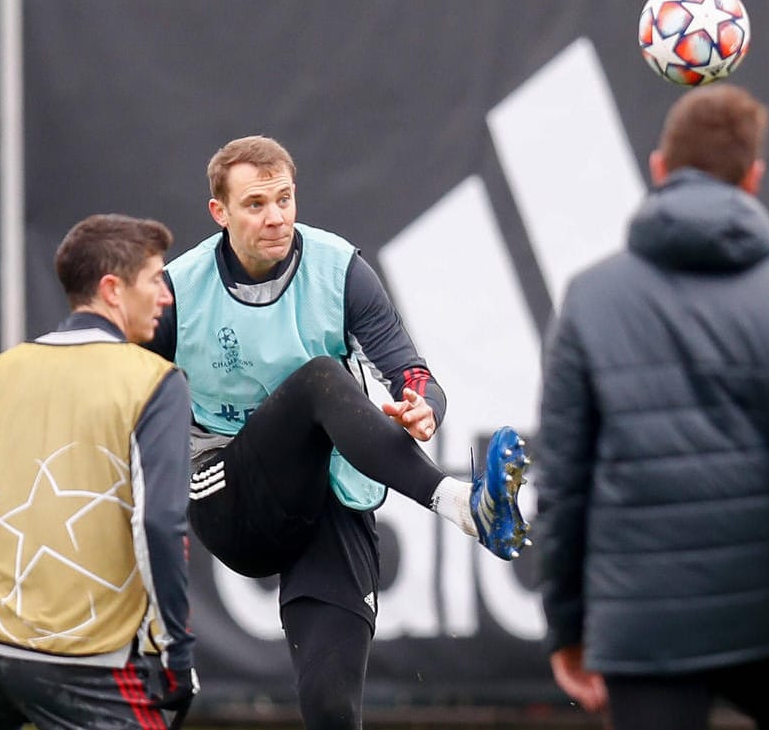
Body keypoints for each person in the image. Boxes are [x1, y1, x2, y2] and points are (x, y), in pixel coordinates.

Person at [536, 83, 769, 730]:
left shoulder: (589, 296)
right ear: (753, 178)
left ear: (658, 168)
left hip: (641, 624)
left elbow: (562, 485)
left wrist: (566, 625)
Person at [144, 134, 528, 730]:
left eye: (285, 199)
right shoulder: (176, 291)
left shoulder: (339, 269)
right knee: (320, 378)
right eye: (255, 204)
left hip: (325, 502)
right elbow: (120, 406)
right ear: (219, 213)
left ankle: (466, 507)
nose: (275, 218)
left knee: (331, 706)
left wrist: (423, 410)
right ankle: (460, 502)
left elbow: (415, 376)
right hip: (228, 496)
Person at [0, 214, 197, 730]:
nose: (166, 297)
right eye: (155, 279)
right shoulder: (156, 382)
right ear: (113, 289)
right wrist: (176, 652)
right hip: (87, 659)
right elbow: (158, 524)